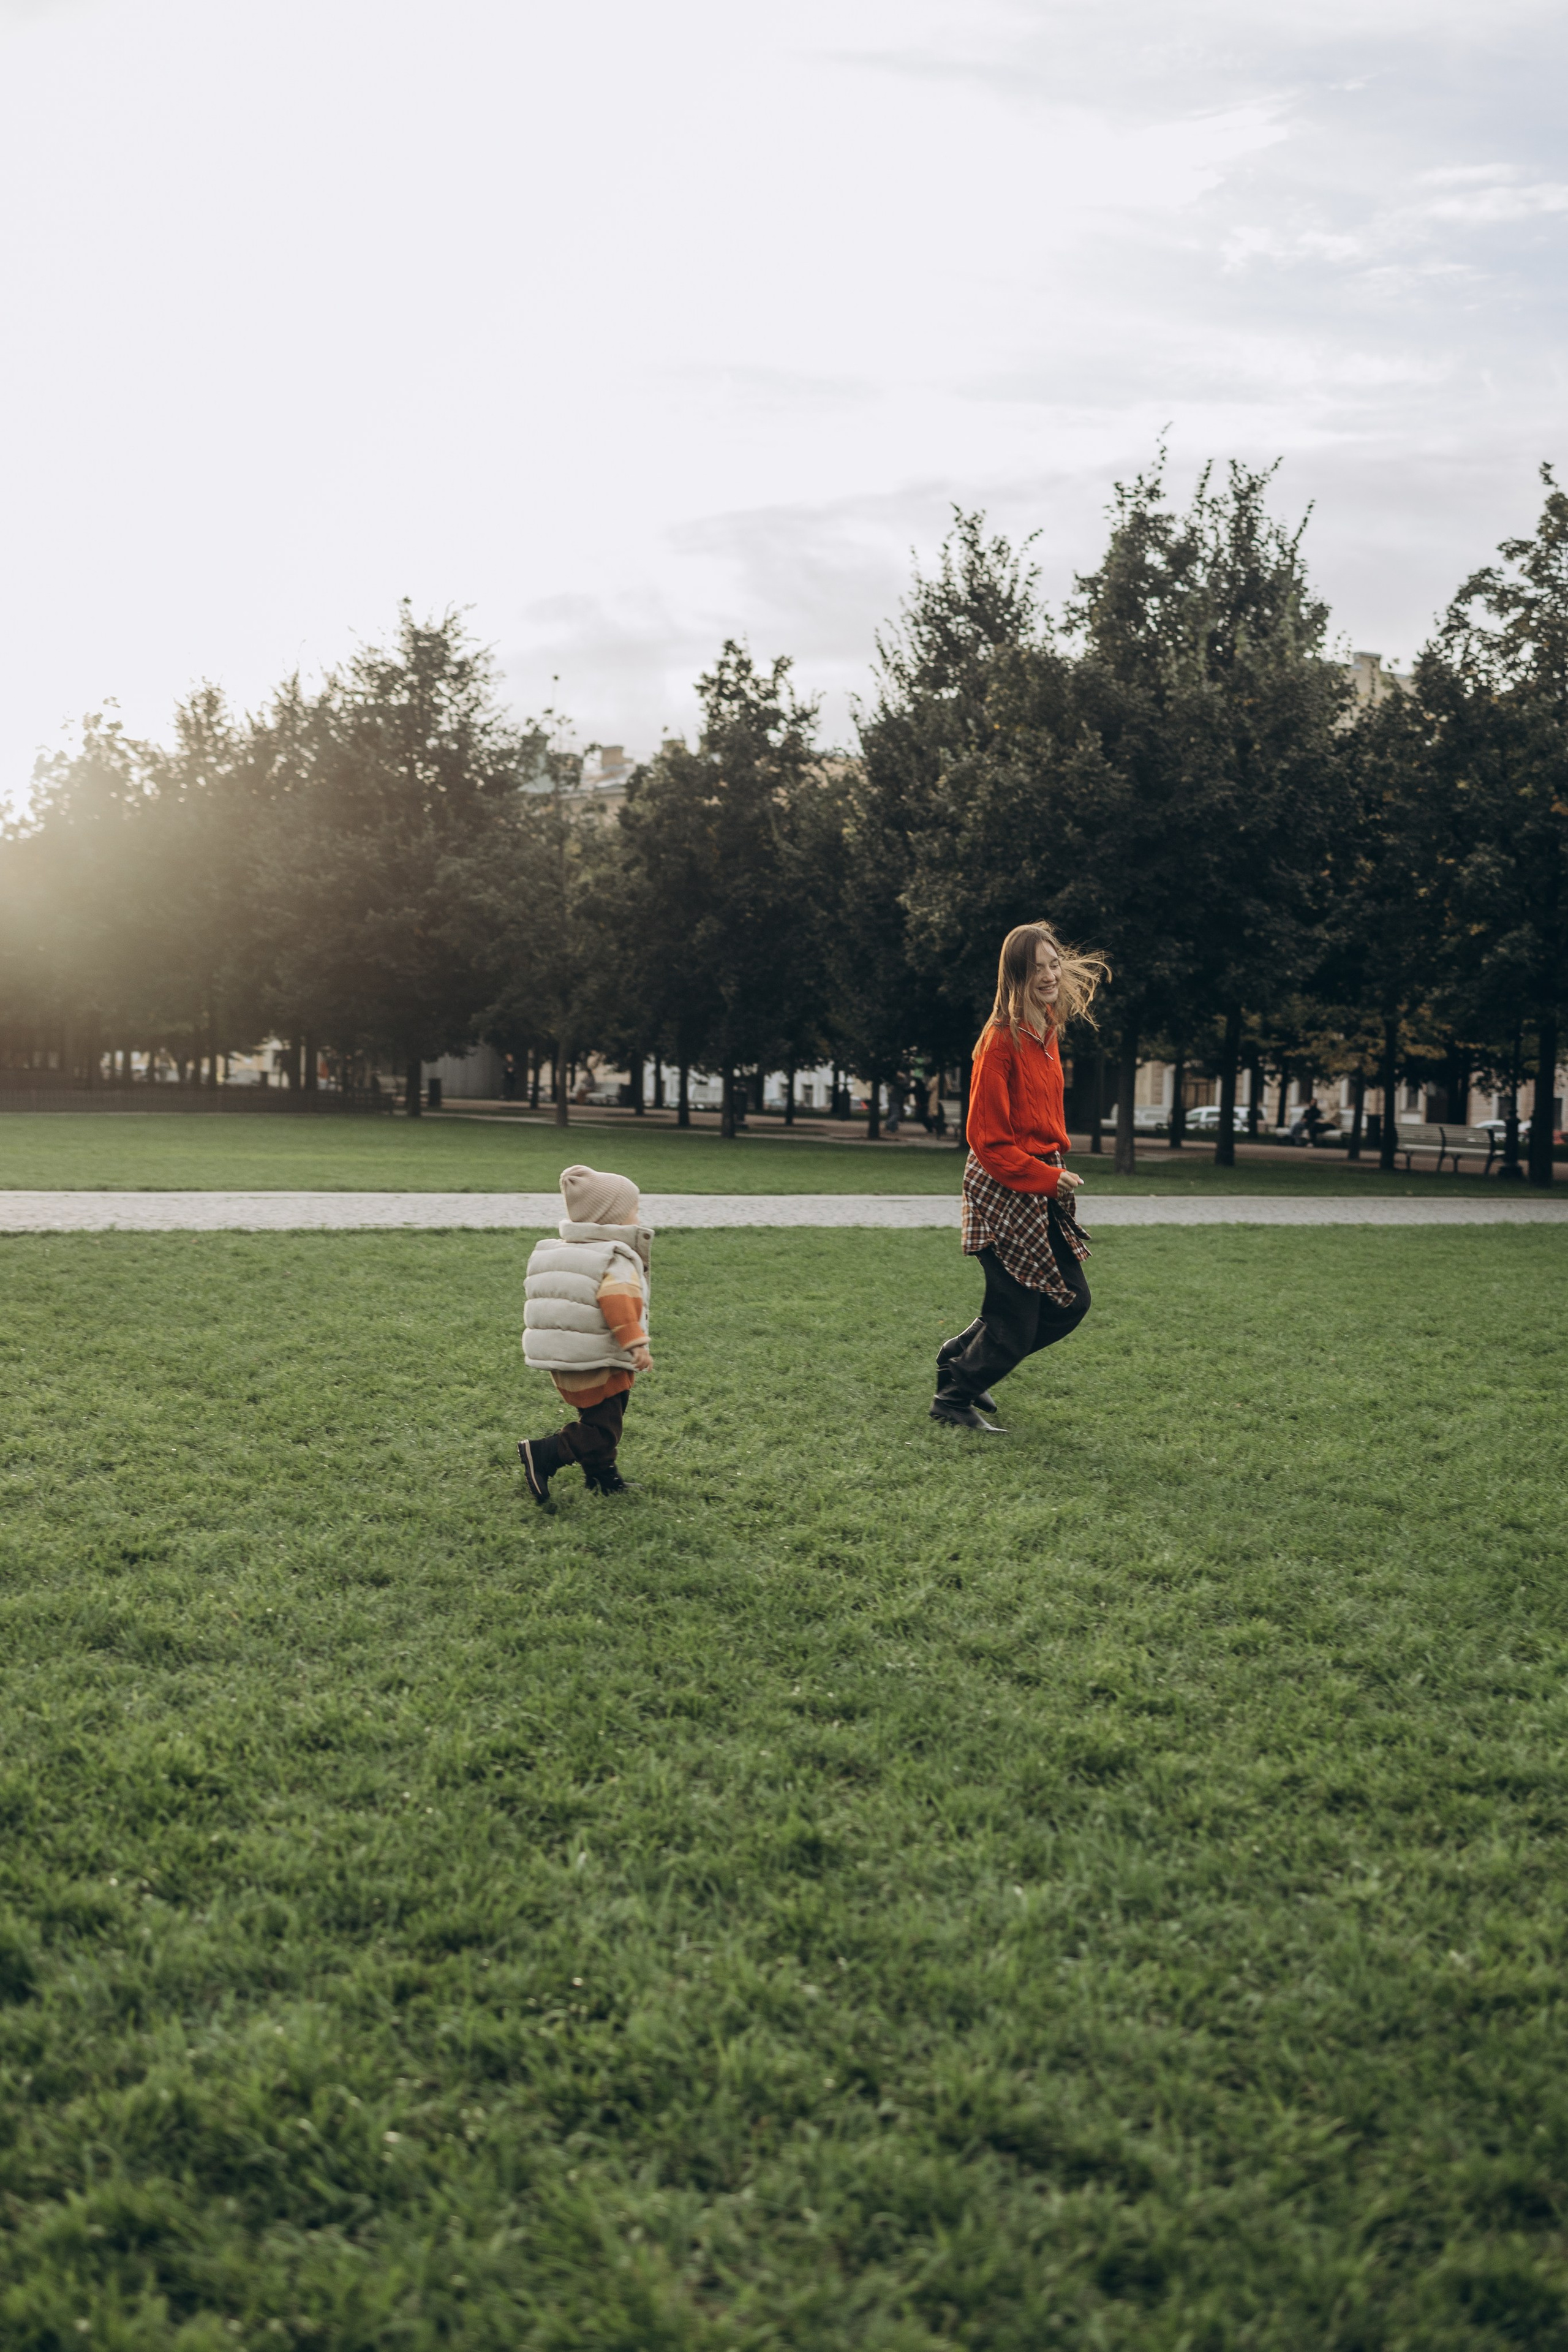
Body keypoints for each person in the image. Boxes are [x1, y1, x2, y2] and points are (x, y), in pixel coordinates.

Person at [931, 922, 1107, 1432]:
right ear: (1016, 976)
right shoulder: (999, 1042)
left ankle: (962, 1357)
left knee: (1071, 1301)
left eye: (1054, 964)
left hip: (1039, 1184)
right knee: (1016, 1314)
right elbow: (986, 1140)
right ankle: (954, 1399)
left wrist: (1050, 1172)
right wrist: (1041, 1175)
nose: (1050, 975)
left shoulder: (1047, 1030)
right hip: (1002, 1187)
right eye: (1037, 969)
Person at [519, 1163, 652, 1507]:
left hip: (567, 1356)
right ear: (612, 1219)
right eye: (634, 1211)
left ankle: (601, 1476)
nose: (638, 1218)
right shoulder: (614, 1257)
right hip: (598, 1357)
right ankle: (546, 1453)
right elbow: (617, 1302)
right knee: (604, 1426)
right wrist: (635, 1342)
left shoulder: (566, 1250)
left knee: (599, 1415)